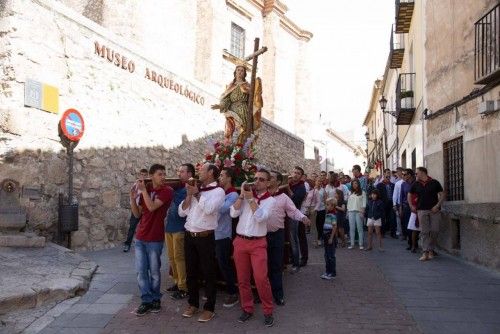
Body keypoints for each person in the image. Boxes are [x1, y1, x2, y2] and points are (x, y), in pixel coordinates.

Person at [179, 163, 225, 322]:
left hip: (205, 237)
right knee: (190, 271)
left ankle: (209, 308)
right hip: (189, 235)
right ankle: (193, 304)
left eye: (201, 170)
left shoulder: (219, 191)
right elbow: (182, 211)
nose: (198, 171)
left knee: (208, 272)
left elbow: (210, 209)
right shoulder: (196, 188)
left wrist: (197, 194)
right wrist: (189, 195)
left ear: (211, 172)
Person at [230, 169, 276, 327]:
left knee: (261, 279)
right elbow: (233, 214)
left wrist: (250, 200)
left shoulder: (271, 201)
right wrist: (242, 196)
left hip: (258, 243)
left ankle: (268, 311)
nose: (257, 182)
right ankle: (247, 308)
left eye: (261, 179)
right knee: (242, 279)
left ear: (268, 183)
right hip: (241, 241)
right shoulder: (247, 195)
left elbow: (261, 217)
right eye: (255, 178)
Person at [130, 164, 174, 316]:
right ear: (152, 175)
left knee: (154, 272)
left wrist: (143, 191)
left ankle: (156, 299)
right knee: (141, 272)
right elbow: (138, 214)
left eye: (164, 174)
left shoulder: (167, 191)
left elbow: (152, 207)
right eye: (160, 174)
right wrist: (132, 197)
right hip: (141, 237)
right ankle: (146, 300)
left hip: (155, 238)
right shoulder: (147, 190)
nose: (163, 177)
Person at [268, 170, 311, 305]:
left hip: (277, 235)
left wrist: (303, 217)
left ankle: (278, 295)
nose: (268, 179)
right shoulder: (260, 195)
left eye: (272, 177)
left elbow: (293, 211)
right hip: (261, 236)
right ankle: (263, 293)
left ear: (279, 182)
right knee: (263, 267)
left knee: (276, 266)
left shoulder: (283, 197)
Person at [211, 64, 262, 144]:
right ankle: (228, 148)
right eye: (238, 70)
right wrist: (220, 106)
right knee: (229, 130)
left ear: (244, 74)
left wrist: (257, 86)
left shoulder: (247, 86)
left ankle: (239, 150)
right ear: (235, 72)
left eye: (242, 71)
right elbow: (227, 99)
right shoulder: (231, 85)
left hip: (243, 110)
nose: (240, 72)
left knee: (242, 131)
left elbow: (253, 99)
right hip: (231, 109)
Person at [165, 164, 194, 300]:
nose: (179, 174)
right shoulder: (178, 187)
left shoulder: (189, 187)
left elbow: (178, 201)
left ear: (189, 174)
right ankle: (177, 282)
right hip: (170, 226)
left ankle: (183, 287)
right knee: (171, 257)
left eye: (182, 171)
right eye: (179, 171)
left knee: (179, 258)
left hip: (180, 228)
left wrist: (169, 190)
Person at [409, 167, 444, 261]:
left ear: (422, 173)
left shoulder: (434, 182)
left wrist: (437, 205)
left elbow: (442, 195)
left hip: (434, 210)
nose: (416, 175)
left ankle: (431, 249)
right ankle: (425, 252)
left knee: (435, 230)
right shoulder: (416, 184)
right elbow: (409, 194)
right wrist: (411, 205)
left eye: (417, 173)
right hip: (421, 210)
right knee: (424, 231)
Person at [215, 167, 239, 308]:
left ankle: (232, 292)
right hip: (212, 232)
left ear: (229, 178)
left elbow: (222, 209)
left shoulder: (233, 195)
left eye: (223, 175)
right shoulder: (219, 192)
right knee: (213, 263)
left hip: (223, 234)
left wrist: (212, 200)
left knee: (225, 264)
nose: (220, 178)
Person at [287, 166, 308, 271]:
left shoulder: (302, 187)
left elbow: (294, 199)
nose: (295, 174)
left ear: (301, 176)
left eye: (298, 173)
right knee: (288, 239)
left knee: (295, 239)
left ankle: (297, 263)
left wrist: (287, 188)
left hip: (295, 215)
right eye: (294, 172)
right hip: (285, 215)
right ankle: (290, 258)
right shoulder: (289, 184)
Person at [123, 168, 149, 252]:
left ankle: (144, 246)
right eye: (142, 175)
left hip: (145, 209)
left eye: (145, 175)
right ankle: (127, 245)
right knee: (132, 227)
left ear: (147, 175)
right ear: (139, 175)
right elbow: (131, 195)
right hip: (136, 208)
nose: (143, 177)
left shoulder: (149, 185)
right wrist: (133, 206)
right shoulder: (135, 185)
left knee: (145, 227)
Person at [376, 169, 396, 238]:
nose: (388, 178)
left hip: (391, 204)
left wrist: (395, 204)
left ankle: (393, 233)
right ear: (384, 176)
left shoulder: (393, 185)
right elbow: (377, 195)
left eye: (389, 177)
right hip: (383, 204)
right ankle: (382, 233)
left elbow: (395, 195)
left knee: (392, 218)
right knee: (382, 219)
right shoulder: (379, 185)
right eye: (386, 177)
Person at [321, 198, 338, 280]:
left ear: (333, 206)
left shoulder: (333, 215)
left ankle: (332, 272)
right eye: (326, 204)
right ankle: (327, 271)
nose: (326, 206)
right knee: (326, 255)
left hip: (329, 235)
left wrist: (331, 237)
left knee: (331, 255)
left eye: (328, 205)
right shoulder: (328, 214)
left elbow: (334, 226)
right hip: (326, 235)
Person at [347, 179, 366, 249]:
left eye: (356, 183)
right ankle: (352, 244)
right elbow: (348, 203)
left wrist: (362, 212)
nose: (354, 185)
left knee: (359, 228)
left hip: (359, 212)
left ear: (358, 184)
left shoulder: (362, 192)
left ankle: (361, 244)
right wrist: (347, 212)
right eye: (353, 184)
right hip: (351, 211)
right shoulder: (350, 192)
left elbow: (364, 203)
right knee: (351, 228)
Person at [400, 169, 416, 251]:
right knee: (408, 226)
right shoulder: (403, 184)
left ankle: (415, 243)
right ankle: (410, 243)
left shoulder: (416, 183)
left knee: (415, 226)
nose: (403, 176)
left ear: (409, 175)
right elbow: (401, 197)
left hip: (415, 207)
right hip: (406, 207)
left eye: (405, 174)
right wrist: (401, 208)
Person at [312, 178, 326, 247]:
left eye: (320, 181)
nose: (319, 182)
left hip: (322, 209)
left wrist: (326, 208)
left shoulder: (323, 190)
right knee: (315, 225)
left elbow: (325, 199)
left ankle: (320, 238)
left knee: (321, 224)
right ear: (315, 182)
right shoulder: (312, 190)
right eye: (318, 181)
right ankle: (316, 239)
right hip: (315, 209)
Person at [392, 167, 405, 239]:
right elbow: (395, 194)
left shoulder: (409, 183)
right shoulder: (397, 183)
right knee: (399, 219)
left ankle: (406, 233)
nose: (401, 174)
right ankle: (401, 233)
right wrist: (394, 204)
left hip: (406, 203)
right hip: (399, 203)